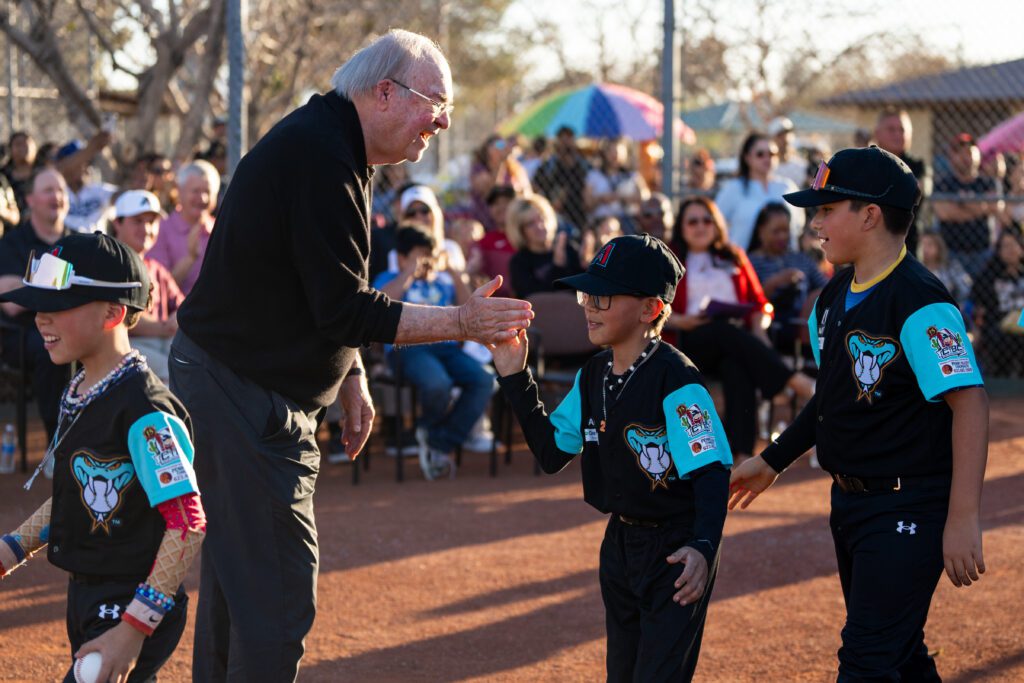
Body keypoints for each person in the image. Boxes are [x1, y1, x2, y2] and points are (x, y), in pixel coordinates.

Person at [168, 29, 532, 682]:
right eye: (435, 103)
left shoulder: (336, 145)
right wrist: (463, 321)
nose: (444, 121)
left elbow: (325, 287)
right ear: (385, 93)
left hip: (236, 381)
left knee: (240, 584)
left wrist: (351, 372)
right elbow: (344, 308)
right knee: (275, 593)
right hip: (239, 390)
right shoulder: (321, 152)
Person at [730, 146, 989, 681]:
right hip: (849, 502)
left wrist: (962, 516)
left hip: (910, 503)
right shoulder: (832, 298)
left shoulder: (920, 302)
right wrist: (773, 460)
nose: (816, 222)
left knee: (867, 661)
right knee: (898, 651)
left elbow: (970, 403)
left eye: (828, 209)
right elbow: (831, 397)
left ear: (870, 215)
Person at [491, 234, 731, 682]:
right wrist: (515, 376)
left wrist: (703, 546)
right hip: (620, 547)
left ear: (650, 309)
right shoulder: (594, 375)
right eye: (587, 295)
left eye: (602, 296)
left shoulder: (677, 381)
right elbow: (550, 452)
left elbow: (712, 471)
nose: (588, 306)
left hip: (676, 551)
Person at [0, 232, 206, 683]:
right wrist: (9, 549)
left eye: (58, 307)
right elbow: (79, 497)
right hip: (88, 593)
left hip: (133, 598)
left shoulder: (144, 411)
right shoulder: (81, 389)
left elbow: (187, 522)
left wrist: (134, 627)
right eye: (39, 306)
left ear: (113, 313)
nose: (40, 318)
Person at [664, 196, 815, 464]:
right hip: (688, 339)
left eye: (707, 220)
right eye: (693, 221)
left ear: (716, 224)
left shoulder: (733, 256)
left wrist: (759, 331)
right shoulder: (670, 259)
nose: (700, 226)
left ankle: (741, 456)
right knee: (722, 332)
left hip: (734, 339)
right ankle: (792, 380)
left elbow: (760, 306)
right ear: (682, 227)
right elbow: (653, 306)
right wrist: (680, 320)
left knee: (736, 366)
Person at [374, 225, 495, 479]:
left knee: (484, 380)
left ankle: (437, 439)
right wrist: (408, 272)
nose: (425, 261)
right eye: (419, 254)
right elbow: (378, 309)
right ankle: (429, 430)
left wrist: (451, 271)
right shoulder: (389, 277)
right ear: (403, 256)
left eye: (429, 254)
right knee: (438, 384)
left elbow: (468, 307)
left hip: (446, 347)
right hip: (406, 350)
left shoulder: (442, 280)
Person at [0, 169, 74, 441]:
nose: (57, 196)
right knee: (53, 349)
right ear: (30, 200)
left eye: (61, 190)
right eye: (48, 190)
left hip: (77, 325)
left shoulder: (81, 241)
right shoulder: (12, 243)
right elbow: (10, 303)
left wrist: (35, 282)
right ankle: (57, 443)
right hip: (25, 334)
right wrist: (64, 281)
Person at [110, 190, 184, 383]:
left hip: (162, 345)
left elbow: (184, 308)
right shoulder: (108, 264)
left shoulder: (156, 268)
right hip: (123, 350)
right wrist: (166, 327)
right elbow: (123, 320)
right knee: (176, 373)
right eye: (138, 221)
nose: (146, 228)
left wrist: (176, 320)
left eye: (151, 222)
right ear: (117, 223)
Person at [748, 202, 830, 350]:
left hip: (803, 319)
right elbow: (748, 301)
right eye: (776, 231)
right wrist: (776, 282)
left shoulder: (800, 259)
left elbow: (827, 287)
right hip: (770, 323)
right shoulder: (751, 262)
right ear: (761, 231)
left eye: (785, 231)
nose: (782, 236)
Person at [715, 131, 803, 252]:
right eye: (760, 154)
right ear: (747, 157)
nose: (767, 158)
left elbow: (798, 226)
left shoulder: (787, 186)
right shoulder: (733, 188)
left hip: (785, 259)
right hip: (746, 262)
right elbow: (716, 223)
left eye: (772, 154)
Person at [933, 133, 1003, 278]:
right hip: (951, 252)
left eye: (970, 151)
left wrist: (963, 204)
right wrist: (979, 207)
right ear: (951, 157)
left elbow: (996, 207)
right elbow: (944, 213)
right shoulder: (943, 184)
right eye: (959, 152)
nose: (966, 157)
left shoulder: (987, 183)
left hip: (983, 252)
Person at [147, 160, 220, 295]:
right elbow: (157, 291)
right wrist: (190, 259)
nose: (202, 198)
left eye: (207, 192)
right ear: (179, 192)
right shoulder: (160, 230)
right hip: (177, 314)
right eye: (195, 191)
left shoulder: (221, 229)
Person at [507, 194, 587, 298]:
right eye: (530, 224)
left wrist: (588, 264)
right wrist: (558, 267)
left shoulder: (568, 249)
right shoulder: (519, 262)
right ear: (521, 231)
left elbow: (582, 291)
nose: (540, 226)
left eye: (542, 218)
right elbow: (533, 298)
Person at [873, 108, 930, 253]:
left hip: (907, 243)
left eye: (902, 130)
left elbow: (917, 191)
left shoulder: (918, 165)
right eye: (891, 129)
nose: (898, 134)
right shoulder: (867, 162)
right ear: (877, 133)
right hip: (871, 241)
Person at [970, 227, 1024, 376]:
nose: (1010, 250)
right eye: (1005, 246)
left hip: (1023, 318)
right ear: (998, 251)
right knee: (998, 338)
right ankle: (1002, 376)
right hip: (1000, 322)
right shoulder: (989, 276)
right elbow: (980, 305)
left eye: (1014, 245)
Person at [584, 136, 649, 233]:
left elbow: (645, 197)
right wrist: (602, 199)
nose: (614, 155)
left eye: (618, 152)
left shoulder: (632, 176)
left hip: (628, 220)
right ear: (604, 154)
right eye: (611, 151)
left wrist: (622, 198)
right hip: (601, 220)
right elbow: (586, 204)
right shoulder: (594, 175)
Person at [56, 134, 118, 234]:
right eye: (77, 162)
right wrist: (92, 147)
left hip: (97, 247)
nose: (82, 166)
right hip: (63, 247)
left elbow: (123, 197)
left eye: (85, 162)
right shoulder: (54, 191)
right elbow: (59, 169)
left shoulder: (99, 190)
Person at [533, 125, 590, 231]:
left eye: (569, 138)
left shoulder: (583, 165)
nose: (565, 142)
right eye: (562, 138)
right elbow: (535, 186)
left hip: (579, 214)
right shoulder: (548, 166)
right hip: (553, 212)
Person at [918, 229, 972, 310]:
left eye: (929, 245)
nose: (925, 249)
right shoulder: (917, 270)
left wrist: (957, 305)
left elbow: (965, 289)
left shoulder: (951, 267)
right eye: (922, 245)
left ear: (939, 247)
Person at [2, 131, 37, 214]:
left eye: (26, 143)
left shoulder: (44, 174)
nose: (22, 148)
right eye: (18, 144)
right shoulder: (3, 176)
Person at [768, 116, 806, 187]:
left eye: (788, 133)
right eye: (780, 135)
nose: (785, 138)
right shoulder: (766, 167)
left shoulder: (802, 165)